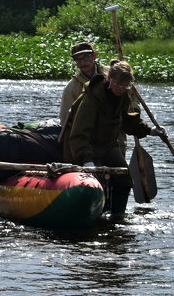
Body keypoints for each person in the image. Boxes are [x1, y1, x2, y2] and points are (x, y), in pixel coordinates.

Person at [62, 60, 167, 220]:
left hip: (108, 145)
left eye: (126, 86)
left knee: (124, 179)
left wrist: (150, 130)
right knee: (94, 183)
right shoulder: (92, 99)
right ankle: (94, 215)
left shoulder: (123, 95)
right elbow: (78, 134)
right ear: (109, 79)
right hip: (86, 146)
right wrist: (87, 160)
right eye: (119, 85)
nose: (121, 89)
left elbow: (128, 121)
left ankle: (117, 216)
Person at [58, 40, 101, 126]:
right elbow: (64, 120)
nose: (82, 63)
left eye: (85, 57)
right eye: (77, 59)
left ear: (94, 56)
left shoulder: (111, 75)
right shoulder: (71, 88)